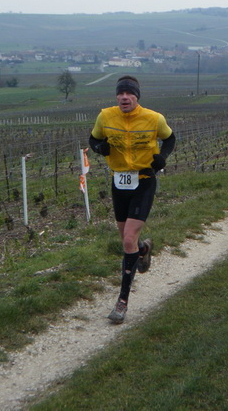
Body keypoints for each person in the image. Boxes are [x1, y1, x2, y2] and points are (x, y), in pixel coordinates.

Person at [89, 75, 176, 324]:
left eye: (129, 94)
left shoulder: (154, 118)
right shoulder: (105, 116)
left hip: (144, 180)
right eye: (121, 94)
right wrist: (99, 149)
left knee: (128, 239)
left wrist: (163, 157)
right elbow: (93, 139)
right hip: (119, 182)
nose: (124, 97)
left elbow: (169, 138)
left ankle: (122, 302)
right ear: (117, 96)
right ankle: (144, 250)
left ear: (137, 97)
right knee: (127, 240)